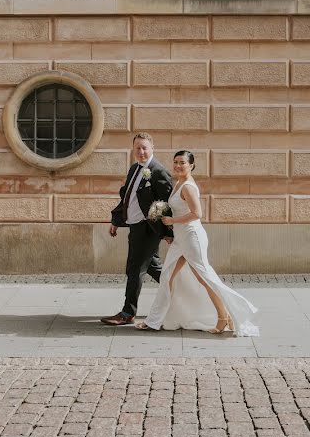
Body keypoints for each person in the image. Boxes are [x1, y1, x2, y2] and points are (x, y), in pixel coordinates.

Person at [135, 150, 259, 336]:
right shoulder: (178, 183)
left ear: (191, 165)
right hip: (180, 238)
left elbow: (197, 214)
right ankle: (154, 320)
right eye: (175, 162)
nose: (177, 165)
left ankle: (225, 317)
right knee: (167, 276)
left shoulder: (188, 187)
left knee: (205, 277)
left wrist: (172, 222)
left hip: (192, 237)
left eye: (182, 162)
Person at [100, 132, 174, 326]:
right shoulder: (135, 168)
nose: (141, 151)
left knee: (134, 270)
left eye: (144, 148)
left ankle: (127, 312)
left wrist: (167, 233)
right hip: (134, 227)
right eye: (138, 148)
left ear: (152, 148)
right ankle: (183, 293)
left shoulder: (158, 171)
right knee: (154, 268)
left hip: (148, 230)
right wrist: (116, 220)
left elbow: (167, 203)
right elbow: (127, 197)